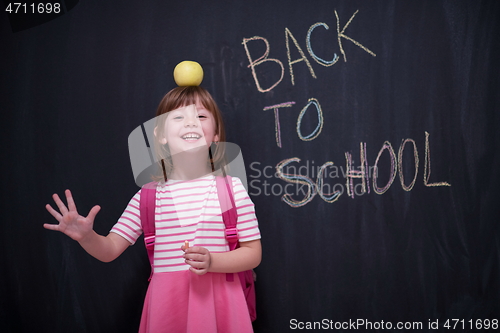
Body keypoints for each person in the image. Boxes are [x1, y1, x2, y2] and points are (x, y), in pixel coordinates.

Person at [44, 86, 262, 333]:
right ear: (161, 135)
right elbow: (109, 250)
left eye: (200, 117)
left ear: (215, 134)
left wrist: (213, 261)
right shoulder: (147, 197)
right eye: (178, 117)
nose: (190, 123)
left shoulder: (231, 189)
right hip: (167, 308)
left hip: (220, 304)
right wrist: (87, 237)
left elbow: (253, 254)